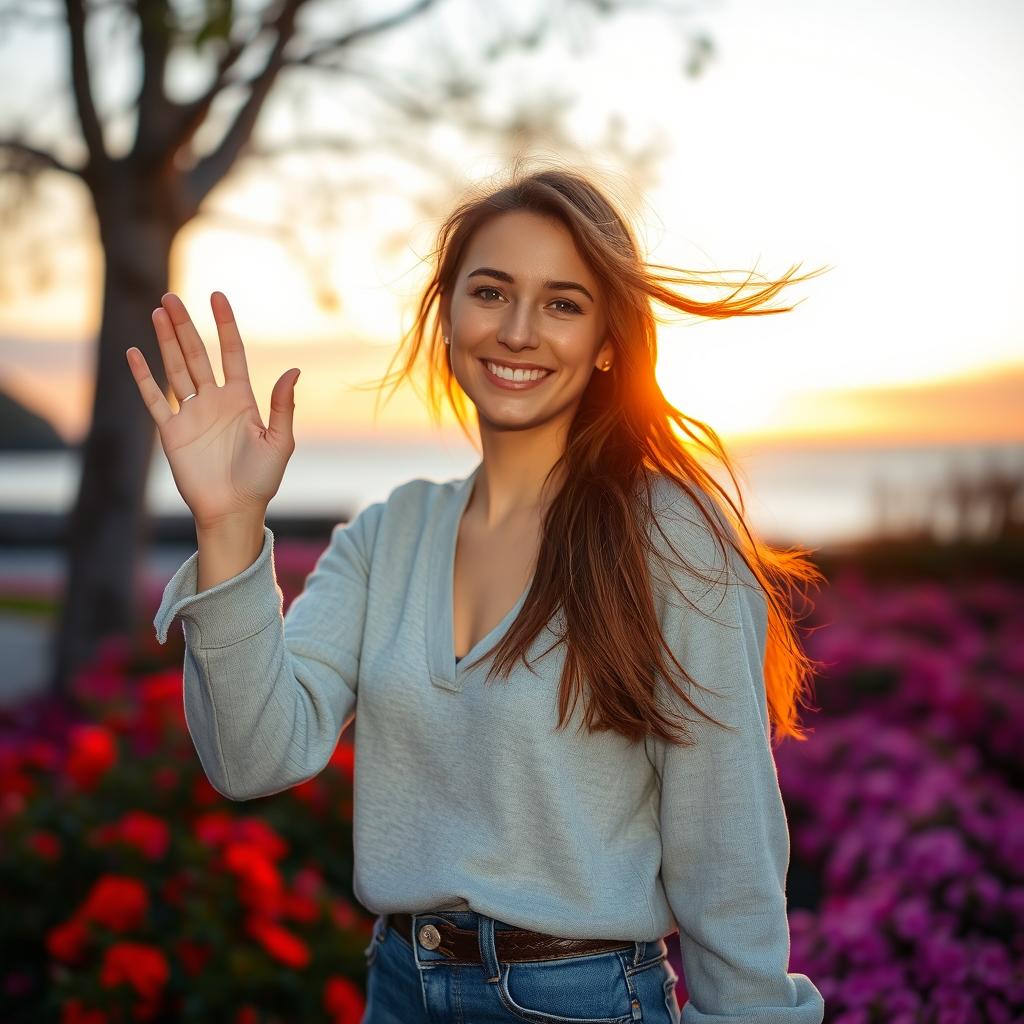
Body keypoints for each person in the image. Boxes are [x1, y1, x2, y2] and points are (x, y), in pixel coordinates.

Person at [127, 161, 829, 1023]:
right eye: (491, 292)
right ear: (450, 316)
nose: (520, 331)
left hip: (584, 1001)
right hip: (398, 987)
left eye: (564, 303)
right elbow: (253, 757)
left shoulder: (672, 538)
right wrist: (229, 524)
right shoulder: (389, 532)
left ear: (609, 339)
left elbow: (727, 848)